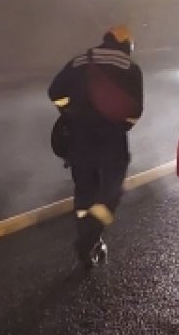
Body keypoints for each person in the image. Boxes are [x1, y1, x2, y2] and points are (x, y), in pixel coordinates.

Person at [48, 25, 143, 268]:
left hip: (79, 136)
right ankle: (90, 235)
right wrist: (121, 126)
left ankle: (86, 239)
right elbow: (135, 111)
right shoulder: (129, 67)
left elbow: (54, 91)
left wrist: (68, 110)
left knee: (84, 189)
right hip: (111, 136)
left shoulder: (80, 60)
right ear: (127, 44)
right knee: (112, 189)